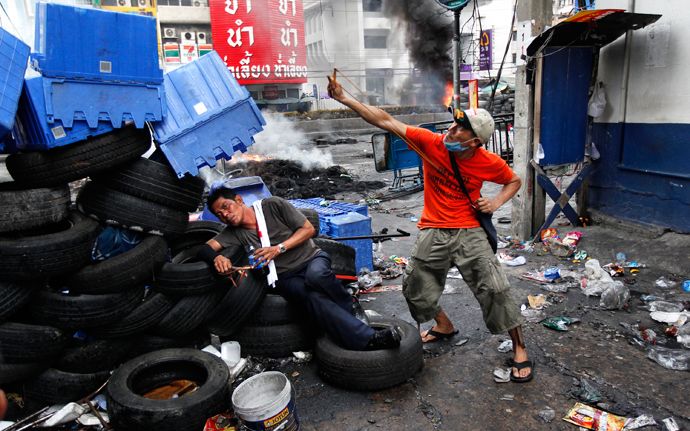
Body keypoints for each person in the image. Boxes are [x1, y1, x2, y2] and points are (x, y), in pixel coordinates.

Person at [327, 76, 533, 381]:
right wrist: (344, 99)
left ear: (475, 142)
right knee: (414, 287)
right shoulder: (431, 141)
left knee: (496, 289)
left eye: (462, 129)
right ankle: (444, 325)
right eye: (454, 124)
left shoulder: (487, 161)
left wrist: (496, 203)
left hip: (469, 230)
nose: (452, 129)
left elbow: (513, 180)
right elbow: (385, 120)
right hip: (434, 228)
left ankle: (520, 348)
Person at [196, 187, 402, 351]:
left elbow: (309, 229)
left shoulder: (272, 206)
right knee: (312, 298)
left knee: (317, 277)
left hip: (311, 258)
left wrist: (279, 248)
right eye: (219, 213)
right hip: (284, 277)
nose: (225, 214)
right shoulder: (233, 233)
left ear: (239, 200)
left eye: (226, 206)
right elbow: (203, 248)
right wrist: (217, 257)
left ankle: (350, 303)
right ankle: (370, 341)